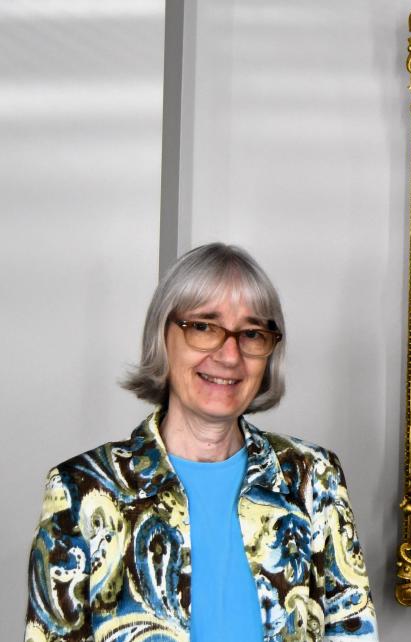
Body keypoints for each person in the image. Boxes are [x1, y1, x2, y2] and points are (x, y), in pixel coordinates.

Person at [25, 243, 378, 641]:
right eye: (205, 327)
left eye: (252, 334)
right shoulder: (81, 489)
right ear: (163, 336)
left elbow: (354, 630)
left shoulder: (313, 478)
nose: (230, 355)